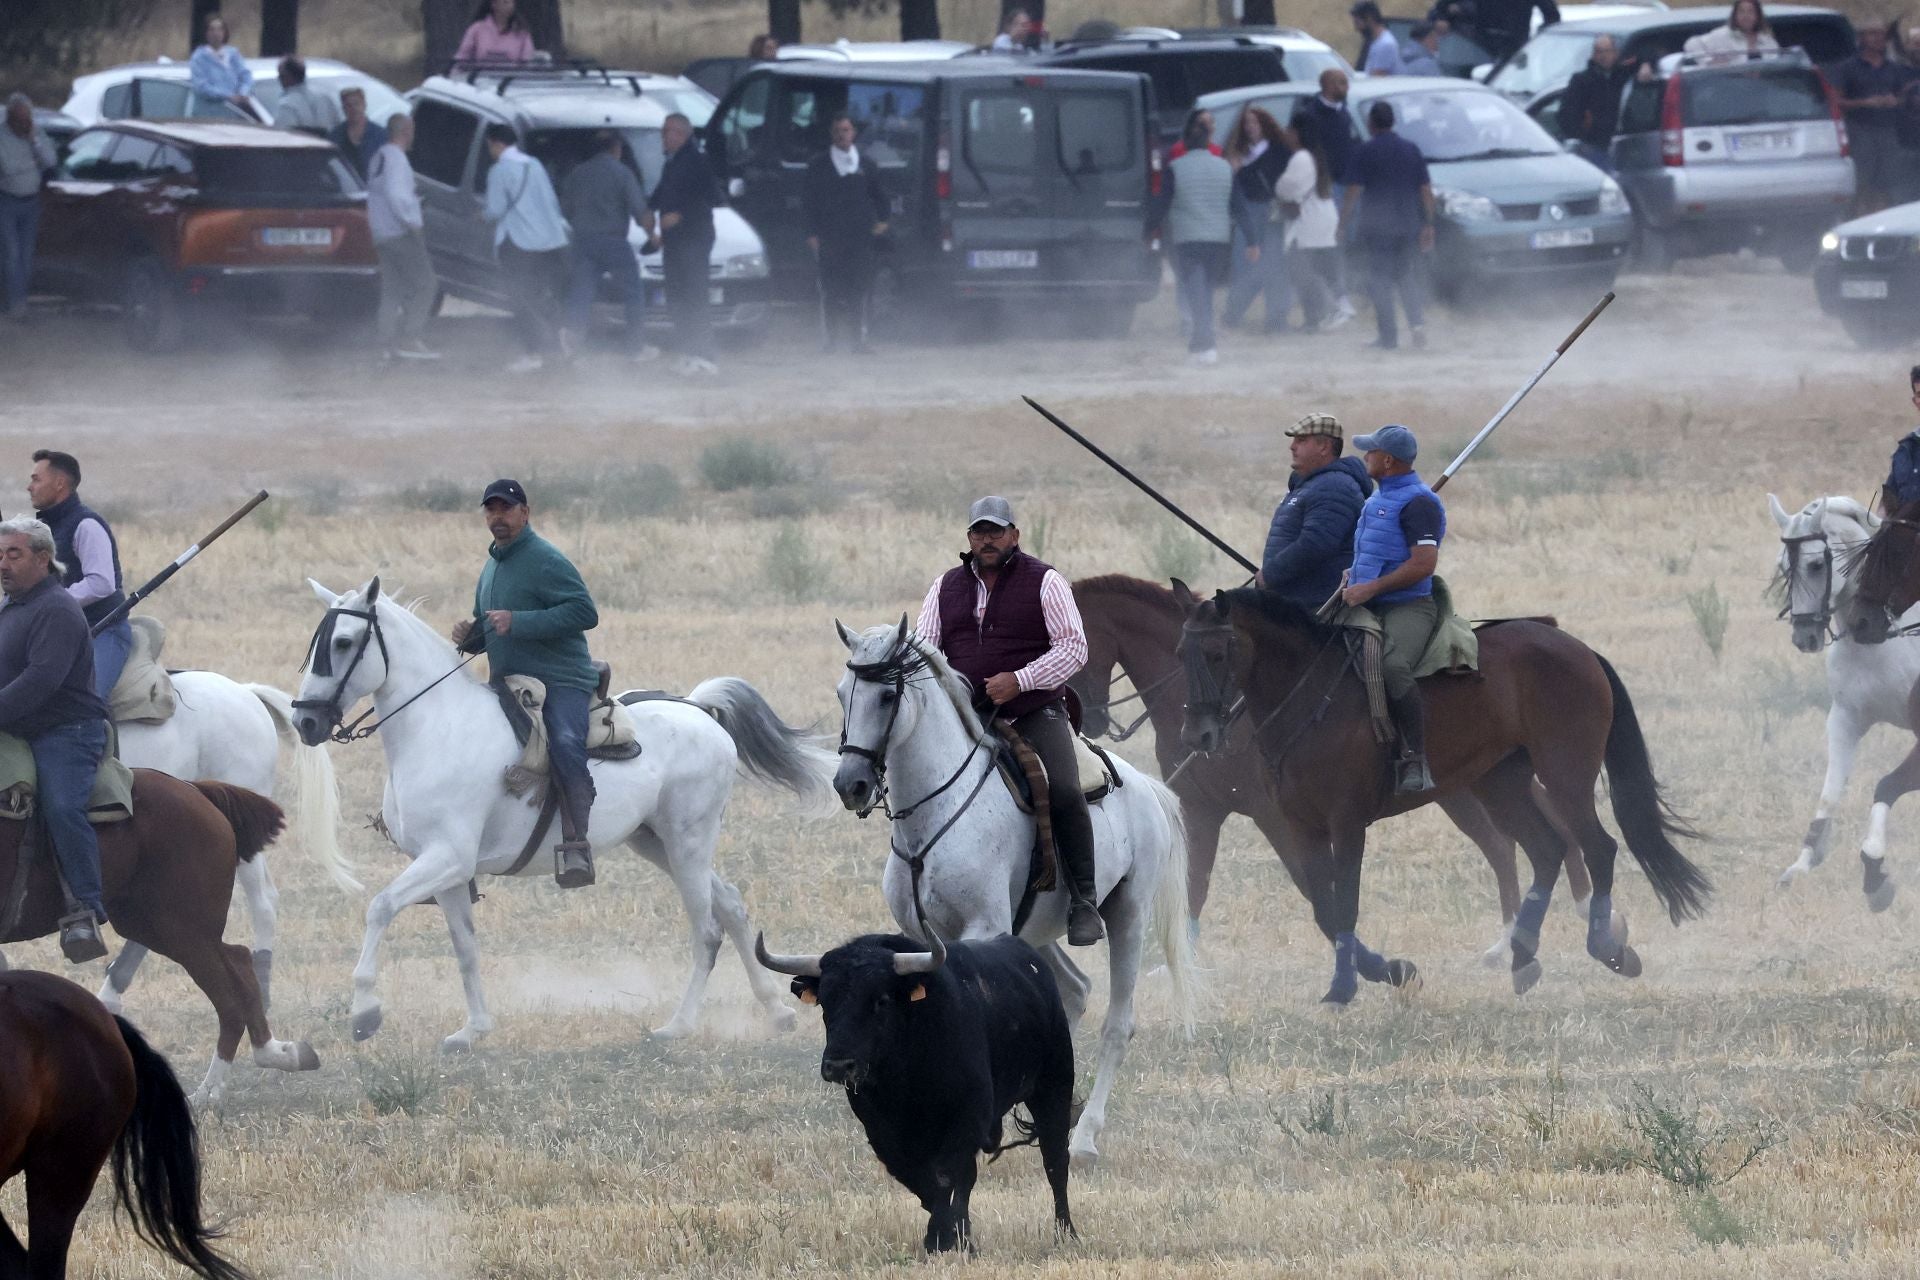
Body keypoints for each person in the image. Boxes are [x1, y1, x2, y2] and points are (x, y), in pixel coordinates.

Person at [913, 496, 1103, 946]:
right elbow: (924, 652)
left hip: (1034, 711)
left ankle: (1084, 902)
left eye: (996, 531)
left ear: (1014, 534)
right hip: (965, 717)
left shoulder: (1045, 581)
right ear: (969, 539)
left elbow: (1074, 648)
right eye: (979, 532)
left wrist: (1020, 680)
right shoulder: (945, 587)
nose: (988, 540)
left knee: (1065, 789)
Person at [452, 480, 601, 889]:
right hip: (509, 683)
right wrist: (471, 636)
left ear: (525, 512)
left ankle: (576, 845)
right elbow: (492, 629)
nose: (497, 516)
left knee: (567, 743)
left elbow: (584, 612)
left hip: (559, 680)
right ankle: (457, 853)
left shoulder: (545, 558)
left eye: (506, 508)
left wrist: (520, 621)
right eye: (490, 510)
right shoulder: (492, 565)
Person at [0, 516, 112, 962]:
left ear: (43, 559)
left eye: (14, 554)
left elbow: (40, 680)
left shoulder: (58, 609)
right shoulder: (13, 606)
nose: (3, 564)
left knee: (63, 806)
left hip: (66, 732)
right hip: (19, 724)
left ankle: (84, 907)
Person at [1339, 424, 1444, 795]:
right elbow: (1376, 554)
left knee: (1391, 665)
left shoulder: (1420, 503)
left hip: (1408, 606)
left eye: (1370, 452)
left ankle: (1415, 757)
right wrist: (1356, 574)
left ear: (1387, 460)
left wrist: (1372, 587)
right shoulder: (1376, 500)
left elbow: (1422, 565)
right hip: (1365, 599)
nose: (1364, 456)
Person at [28, 450, 132, 702]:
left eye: (36, 479)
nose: (29, 487)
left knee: (86, 702)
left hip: (103, 630)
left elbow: (101, 583)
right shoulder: (44, 530)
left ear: (59, 483)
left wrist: (51, 602)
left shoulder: (86, 525)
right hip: (61, 633)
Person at [1342, 100, 1434, 351]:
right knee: (1406, 277)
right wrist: (1429, 224)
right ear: (1393, 122)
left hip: (1378, 228)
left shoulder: (1365, 151)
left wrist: (1343, 222)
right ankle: (1417, 326)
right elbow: (1425, 189)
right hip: (1408, 225)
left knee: (1380, 282)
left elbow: (1353, 190)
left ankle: (1388, 337)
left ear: (1371, 124)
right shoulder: (1411, 149)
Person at [560, 130, 658, 363]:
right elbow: (639, 210)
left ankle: (570, 343)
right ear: (616, 149)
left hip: (583, 241)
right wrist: (652, 235)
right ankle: (635, 348)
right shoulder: (622, 173)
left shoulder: (577, 174)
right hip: (614, 242)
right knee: (633, 293)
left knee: (581, 293)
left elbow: (565, 210)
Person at [1259, 413, 1373, 612]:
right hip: (1295, 599)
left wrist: (1270, 575)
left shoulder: (1335, 486)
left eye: (1301, 440)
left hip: (1318, 605)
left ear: (1324, 447)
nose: (1292, 446)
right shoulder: (1309, 485)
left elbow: (1316, 544)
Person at [481, 122, 569, 374]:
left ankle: (533, 353)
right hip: (548, 242)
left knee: (520, 299)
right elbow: (550, 202)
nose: (490, 151)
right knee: (541, 295)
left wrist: (483, 215)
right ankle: (559, 338)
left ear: (497, 143)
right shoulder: (535, 165)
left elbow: (495, 210)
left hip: (519, 243)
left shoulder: (499, 171)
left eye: (489, 146)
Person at [804, 113, 890, 354]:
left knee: (859, 288)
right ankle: (830, 341)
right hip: (829, 236)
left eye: (846, 130)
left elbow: (880, 196)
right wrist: (812, 232)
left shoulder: (867, 165)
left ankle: (858, 341)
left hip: (860, 237)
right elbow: (809, 201)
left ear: (853, 133)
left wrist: (883, 221)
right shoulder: (818, 165)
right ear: (832, 135)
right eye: (838, 131)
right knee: (830, 290)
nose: (842, 135)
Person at [1157, 111, 1235, 366]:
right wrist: (1253, 239)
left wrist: (1150, 231)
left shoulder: (1176, 165)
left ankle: (1205, 343)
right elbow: (1238, 203)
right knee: (1204, 292)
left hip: (1188, 236)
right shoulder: (1223, 164)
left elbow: (1162, 202)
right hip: (1218, 237)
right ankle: (1199, 344)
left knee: (1196, 291)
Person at [652, 113, 722, 376]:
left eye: (666, 132)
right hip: (675, 241)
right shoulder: (671, 163)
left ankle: (706, 356)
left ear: (681, 134)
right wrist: (650, 207)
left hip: (694, 237)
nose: (663, 136)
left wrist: (680, 214)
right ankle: (688, 351)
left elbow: (712, 197)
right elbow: (662, 191)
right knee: (676, 297)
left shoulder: (697, 161)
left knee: (694, 296)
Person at [367, 113, 439, 362]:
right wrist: (413, 222)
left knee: (392, 289)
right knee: (427, 283)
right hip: (399, 233)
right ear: (406, 131)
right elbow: (397, 196)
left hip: (380, 232)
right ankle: (411, 335)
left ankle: (385, 342)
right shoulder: (397, 160)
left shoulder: (379, 157)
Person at [1223, 106, 1294, 335]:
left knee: (1273, 266)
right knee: (1244, 266)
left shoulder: (1280, 150)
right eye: (1247, 123)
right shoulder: (1238, 154)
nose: (1251, 127)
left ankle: (1276, 318)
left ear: (1264, 125)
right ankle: (1233, 313)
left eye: (1255, 122)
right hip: (1247, 212)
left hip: (1272, 213)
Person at [1277, 112, 1345, 331]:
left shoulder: (1301, 158)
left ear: (1296, 134)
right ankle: (1316, 317)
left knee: (1302, 271)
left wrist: (1277, 187)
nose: (1285, 134)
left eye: (1289, 130)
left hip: (1309, 223)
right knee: (1313, 269)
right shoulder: (1314, 155)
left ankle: (1328, 311)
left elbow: (1285, 189)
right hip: (1319, 221)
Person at [1837, 24, 1914, 216]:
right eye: (1872, 33)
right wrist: (1865, 102)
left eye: (1881, 34)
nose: (1878, 38)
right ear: (1861, 38)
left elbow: (1904, 96)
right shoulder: (1847, 68)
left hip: (1889, 132)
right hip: (1860, 131)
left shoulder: (1894, 68)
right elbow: (1837, 101)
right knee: (1862, 180)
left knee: (1890, 181)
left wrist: (1894, 101)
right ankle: (1858, 218)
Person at [1302, 70, 1359, 327]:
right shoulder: (1311, 115)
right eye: (1341, 82)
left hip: (1344, 186)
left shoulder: (1345, 113)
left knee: (1340, 243)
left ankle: (1341, 299)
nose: (1345, 86)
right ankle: (1335, 301)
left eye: (1346, 82)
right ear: (1325, 85)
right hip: (1322, 189)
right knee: (1322, 247)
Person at [0, 94, 54, 323]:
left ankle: (19, 300)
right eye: (20, 120)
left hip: (31, 203)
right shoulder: (1, 137)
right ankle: (15, 304)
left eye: (27, 119)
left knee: (26, 256)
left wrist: (34, 142)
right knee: (11, 255)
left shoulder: (36, 133)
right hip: (8, 201)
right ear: (10, 117)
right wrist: (33, 164)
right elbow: (8, 168)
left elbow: (51, 161)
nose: (24, 124)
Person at [1560, 34, 1637, 169]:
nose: (1603, 56)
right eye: (1598, 51)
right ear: (1593, 55)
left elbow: (1649, 54)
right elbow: (1566, 115)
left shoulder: (1623, 76)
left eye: (1607, 51)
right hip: (1592, 147)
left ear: (1615, 53)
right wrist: (1582, 136)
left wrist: (1647, 65)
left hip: (1623, 145)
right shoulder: (1581, 81)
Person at [189, 13, 253, 107]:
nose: (216, 33)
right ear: (205, 33)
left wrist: (242, 93)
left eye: (220, 29)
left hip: (235, 111)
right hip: (210, 110)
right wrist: (228, 96)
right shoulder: (199, 58)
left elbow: (245, 75)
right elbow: (201, 86)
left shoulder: (233, 54)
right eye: (212, 30)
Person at [453, 0, 537, 69]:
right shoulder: (477, 29)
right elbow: (462, 57)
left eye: (511, 2)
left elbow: (527, 62)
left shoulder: (522, 32)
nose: (509, 5)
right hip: (479, 82)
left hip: (511, 84)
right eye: (505, 2)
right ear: (494, 4)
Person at [1682, 0, 1778, 59]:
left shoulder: (1767, 40)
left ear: (1758, 16)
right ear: (1735, 15)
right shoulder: (1723, 35)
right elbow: (1691, 44)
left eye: (1751, 11)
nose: (1746, 16)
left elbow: (1777, 63)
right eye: (1741, 11)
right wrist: (1709, 62)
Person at [1883, 365, 1920, 513]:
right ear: (1915, 401)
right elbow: (1888, 500)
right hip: (1902, 532)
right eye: (1919, 394)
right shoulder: (1905, 449)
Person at [271, 57, 343, 134]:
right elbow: (338, 128)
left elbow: (282, 135)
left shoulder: (288, 105)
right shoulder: (325, 98)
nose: (279, 80)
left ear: (289, 77)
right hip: (329, 145)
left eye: (281, 76)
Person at [330, 87, 388, 182]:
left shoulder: (381, 135)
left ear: (364, 105)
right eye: (348, 105)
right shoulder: (335, 136)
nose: (353, 109)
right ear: (343, 109)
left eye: (356, 104)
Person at [1352, 2, 1404, 76]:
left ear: (1369, 19)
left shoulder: (1385, 45)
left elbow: (1377, 79)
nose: (1356, 28)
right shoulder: (1377, 43)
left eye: (1357, 23)